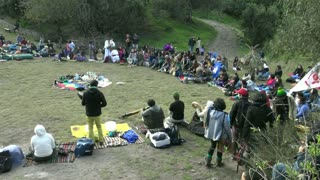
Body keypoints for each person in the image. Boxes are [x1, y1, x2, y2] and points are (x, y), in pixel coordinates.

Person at [204, 98, 232, 167]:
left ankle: (208, 162)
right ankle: (219, 162)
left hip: (211, 134)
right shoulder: (224, 115)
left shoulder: (210, 112)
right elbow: (227, 128)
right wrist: (230, 137)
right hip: (220, 135)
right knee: (220, 148)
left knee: (212, 146)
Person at [81, 80, 107, 145]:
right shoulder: (100, 93)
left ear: (90, 85)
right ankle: (101, 140)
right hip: (97, 114)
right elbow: (105, 103)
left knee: (90, 127)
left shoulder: (85, 93)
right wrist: (98, 106)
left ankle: (92, 142)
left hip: (89, 114)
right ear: (97, 85)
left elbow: (83, 104)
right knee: (99, 127)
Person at [229, 88, 251, 157]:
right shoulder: (250, 104)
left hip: (236, 125)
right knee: (243, 141)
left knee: (234, 139)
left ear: (241, 95)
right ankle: (242, 155)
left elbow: (232, 114)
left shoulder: (236, 103)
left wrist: (231, 123)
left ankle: (233, 153)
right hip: (246, 126)